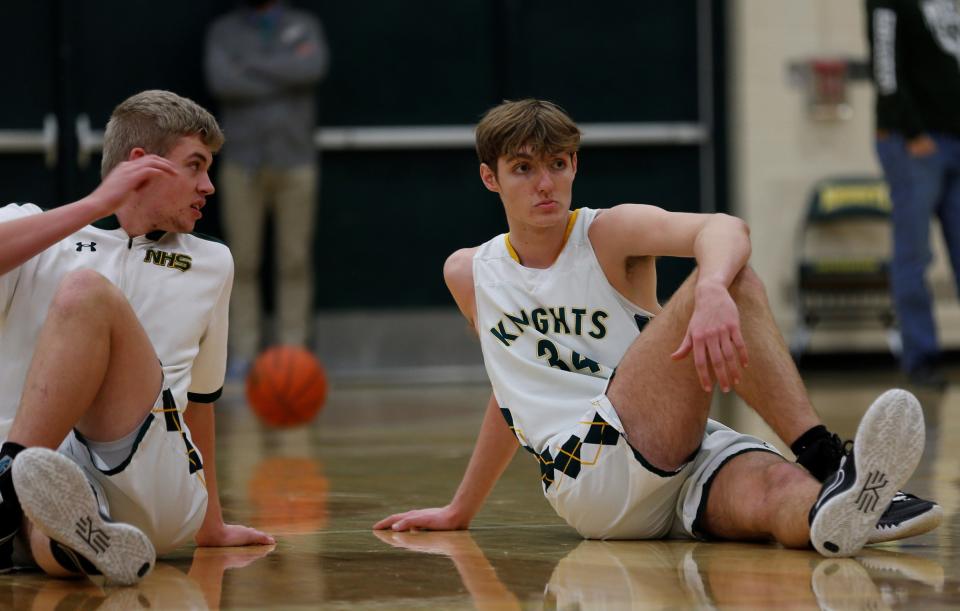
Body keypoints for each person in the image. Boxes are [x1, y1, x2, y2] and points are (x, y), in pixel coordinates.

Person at [374, 99, 942, 556]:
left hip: (681, 456)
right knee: (731, 282)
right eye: (523, 168)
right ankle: (828, 460)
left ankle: (838, 514)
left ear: (574, 166)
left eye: (558, 164)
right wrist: (460, 510)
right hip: (588, 467)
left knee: (781, 497)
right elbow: (511, 394)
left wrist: (712, 286)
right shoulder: (469, 271)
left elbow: (724, 227)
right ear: (490, 179)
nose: (544, 183)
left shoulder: (609, 232)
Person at [0, 90, 274, 585]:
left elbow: (201, 401)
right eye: (195, 166)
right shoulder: (36, 230)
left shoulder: (210, 262)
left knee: (87, 294)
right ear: (141, 166)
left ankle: (6, 487)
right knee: (49, 528)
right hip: (68, 500)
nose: (209, 186)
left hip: (148, 478)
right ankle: (76, 545)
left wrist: (211, 525)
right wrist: (97, 204)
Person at [204, 0, 329, 375]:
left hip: (296, 161)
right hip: (242, 162)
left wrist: (250, 66)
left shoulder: (303, 24)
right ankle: (243, 352)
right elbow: (222, 81)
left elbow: (311, 68)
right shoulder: (224, 30)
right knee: (242, 262)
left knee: (294, 260)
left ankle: (293, 352)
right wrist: (283, 71)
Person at [866, 0, 960, 387]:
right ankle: (920, 357)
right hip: (914, 144)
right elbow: (885, 68)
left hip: (954, 137)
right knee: (914, 254)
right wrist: (911, 131)